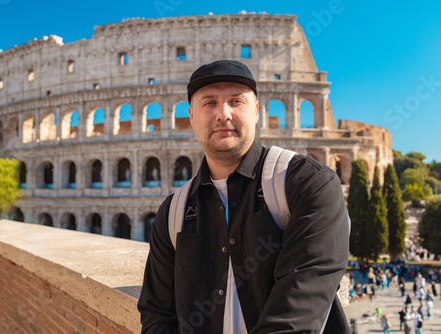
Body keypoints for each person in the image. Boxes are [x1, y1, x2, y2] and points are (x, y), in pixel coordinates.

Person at [137, 60, 350, 333]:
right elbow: (157, 315)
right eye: (209, 103)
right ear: (191, 115)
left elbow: (295, 316)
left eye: (236, 101)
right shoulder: (173, 212)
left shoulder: (308, 183)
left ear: (257, 110)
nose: (223, 114)